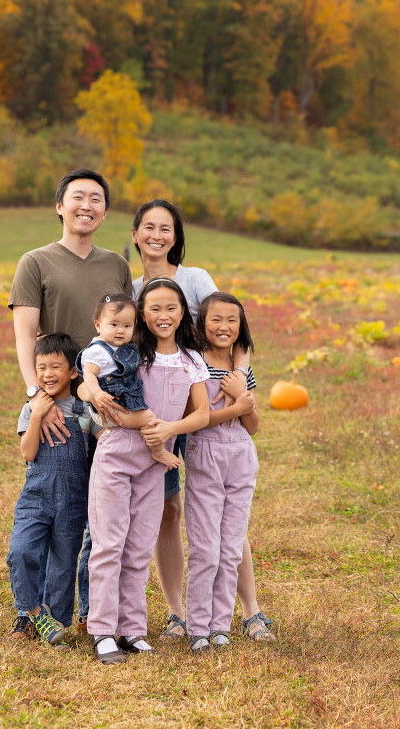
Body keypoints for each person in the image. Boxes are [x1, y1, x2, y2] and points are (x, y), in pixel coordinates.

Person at [130, 198, 272, 642]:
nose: (157, 235)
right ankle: (180, 613)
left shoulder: (195, 279)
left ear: (177, 237)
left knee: (227, 520)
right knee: (170, 511)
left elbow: (230, 323)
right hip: (161, 412)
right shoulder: (133, 288)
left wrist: (240, 378)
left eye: (166, 228)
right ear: (135, 234)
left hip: (204, 405)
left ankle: (249, 611)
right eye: (148, 227)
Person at [7, 168, 132, 639]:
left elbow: (123, 330)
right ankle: (30, 611)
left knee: (96, 511)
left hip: (105, 403)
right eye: (77, 197)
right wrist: (39, 398)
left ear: (104, 209)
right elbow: (25, 337)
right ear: (60, 205)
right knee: (48, 507)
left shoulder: (115, 266)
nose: (86, 205)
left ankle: (87, 611)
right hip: (59, 400)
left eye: (96, 198)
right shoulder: (35, 261)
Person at [82, 278, 210, 663]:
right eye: (153, 308)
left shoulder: (191, 359)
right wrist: (90, 391)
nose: (163, 315)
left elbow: (201, 413)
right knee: (109, 543)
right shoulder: (129, 352)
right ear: (141, 314)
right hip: (119, 454)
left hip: (157, 462)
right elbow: (87, 380)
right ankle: (103, 631)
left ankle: (133, 630)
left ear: (183, 311)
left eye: (171, 307)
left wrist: (170, 430)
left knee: (138, 546)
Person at [6, 334, 102, 648]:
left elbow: (104, 438)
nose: (47, 373)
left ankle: (55, 626)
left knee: (63, 563)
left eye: (55, 367)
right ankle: (32, 609)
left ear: (72, 371)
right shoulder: (29, 409)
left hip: (74, 495)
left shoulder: (84, 410)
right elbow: (28, 452)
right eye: (41, 367)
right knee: (20, 551)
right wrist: (36, 415)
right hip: (37, 492)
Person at [184, 293, 260, 651]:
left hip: (241, 454)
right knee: (205, 547)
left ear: (240, 326)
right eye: (216, 319)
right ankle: (197, 626)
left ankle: (220, 625)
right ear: (202, 323)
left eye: (232, 320)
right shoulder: (193, 364)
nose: (224, 327)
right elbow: (193, 420)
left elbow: (254, 424)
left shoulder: (240, 369)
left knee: (230, 547)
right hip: (206, 452)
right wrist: (236, 405)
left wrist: (242, 393)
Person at [76, 293, 180, 469]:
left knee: (146, 419)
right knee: (149, 419)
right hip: (108, 407)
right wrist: (97, 394)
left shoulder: (125, 348)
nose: (120, 330)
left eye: (127, 325)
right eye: (114, 324)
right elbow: (88, 375)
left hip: (124, 398)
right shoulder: (97, 351)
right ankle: (158, 451)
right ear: (98, 325)